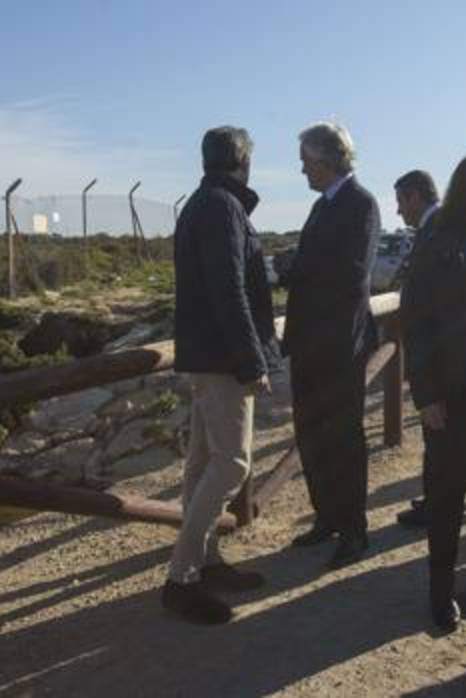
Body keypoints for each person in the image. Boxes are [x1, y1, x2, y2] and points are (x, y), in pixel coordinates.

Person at [165, 126, 276, 624]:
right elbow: (230, 291)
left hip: (205, 356)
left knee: (203, 462)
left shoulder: (202, 203)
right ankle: (180, 576)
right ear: (243, 162)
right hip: (222, 360)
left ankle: (204, 563)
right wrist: (252, 361)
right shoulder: (223, 207)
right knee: (232, 463)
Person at [400, 152, 466, 631]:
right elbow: (415, 324)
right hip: (453, 395)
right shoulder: (439, 243)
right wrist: (426, 396)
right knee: (445, 500)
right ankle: (440, 592)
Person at [280, 122, 381, 570]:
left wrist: (295, 268)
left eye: (306, 163)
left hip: (339, 347)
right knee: (312, 434)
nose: (303, 172)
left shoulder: (360, 204)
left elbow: (351, 274)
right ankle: (328, 517)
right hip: (310, 345)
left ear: (325, 161)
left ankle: (354, 531)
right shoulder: (324, 205)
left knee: (342, 439)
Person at [392, 169, 441, 529]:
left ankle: (439, 503)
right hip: (437, 352)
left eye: (400, 202)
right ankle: (436, 497)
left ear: (414, 197)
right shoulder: (436, 226)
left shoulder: (437, 229)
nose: (398, 211)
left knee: (439, 436)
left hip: (439, 356)